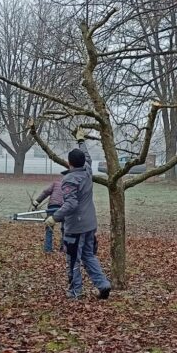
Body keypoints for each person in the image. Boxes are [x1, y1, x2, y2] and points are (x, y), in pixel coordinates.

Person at [45, 128, 112, 300]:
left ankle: (75, 291)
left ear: (69, 163)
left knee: (73, 259)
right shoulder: (87, 170)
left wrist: (54, 217)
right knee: (88, 255)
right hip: (90, 223)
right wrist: (81, 141)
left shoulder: (69, 180)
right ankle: (103, 284)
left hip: (76, 227)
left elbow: (71, 204)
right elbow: (87, 157)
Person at [31, 176, 65, 253]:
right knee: (65, 229)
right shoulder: (70, 186)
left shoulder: (55, 183)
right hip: (64, 208)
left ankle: (48, 249)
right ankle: (63, 248)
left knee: (49, 227)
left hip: (53, 206)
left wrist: (37, 202)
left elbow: (45, 193)